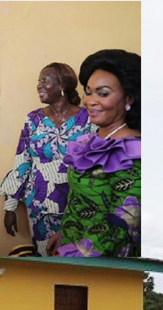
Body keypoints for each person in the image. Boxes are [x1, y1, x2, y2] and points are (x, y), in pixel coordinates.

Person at [50, 50, 141, 257]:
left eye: (103, 93)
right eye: (88, 92)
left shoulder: (134, 154)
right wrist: (64, 232)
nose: (90, 101)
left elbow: (123, 226)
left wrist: (73, 254)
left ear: (128, 98)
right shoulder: (93, 140)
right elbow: (77, 199)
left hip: (97, 263)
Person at [0, 62, 93, 256]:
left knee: (76, 261)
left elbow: (97, 164)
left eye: (45, 80)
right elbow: (22, 161)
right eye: (38, 80)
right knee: (46, 259)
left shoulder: (88, 119)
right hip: (39, 207)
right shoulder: (32, 120)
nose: (39, 85)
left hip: (77, 207)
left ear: (63, 86)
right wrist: (10, 207)